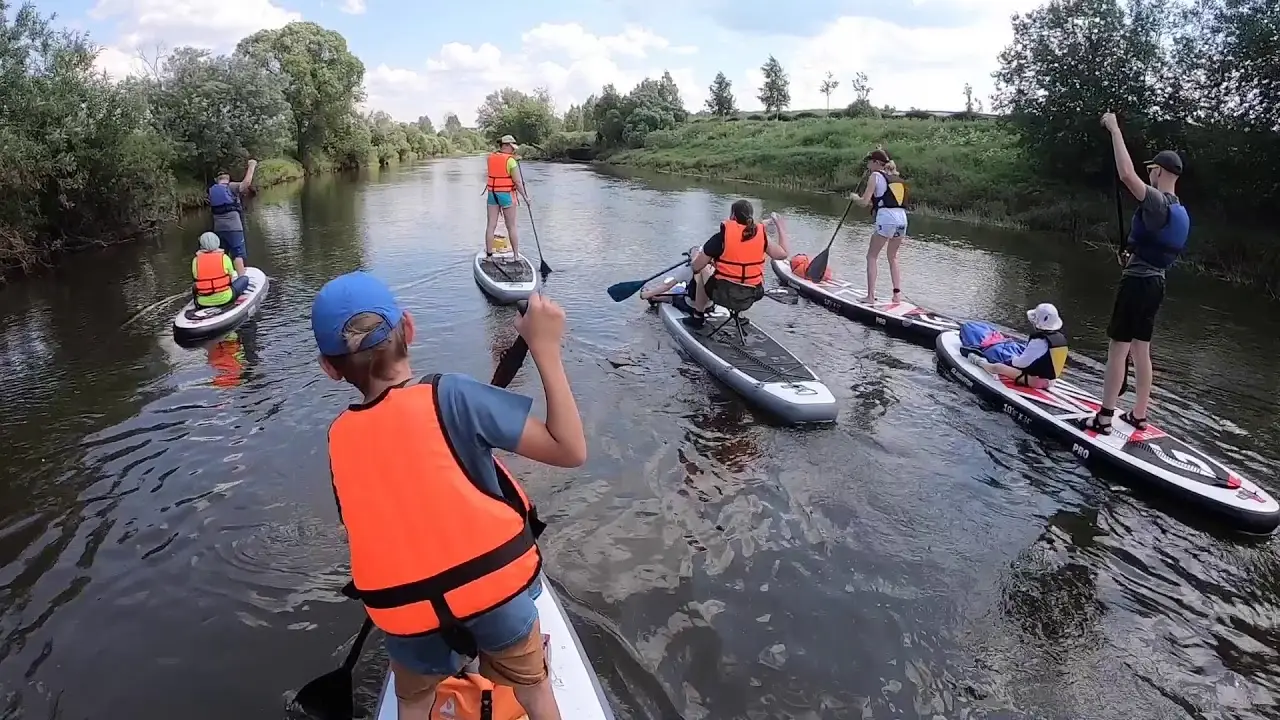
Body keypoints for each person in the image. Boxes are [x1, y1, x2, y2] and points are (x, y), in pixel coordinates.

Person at [310, 272, 585, 720]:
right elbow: (569, 448)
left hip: (409, 616)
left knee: (414, 699)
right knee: (533, 689)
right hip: (494, 597)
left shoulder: (339, 438)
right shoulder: (452, 395)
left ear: (330, 369)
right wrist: (545, 350)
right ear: (410, 329)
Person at [1081, 113, 1190, 434]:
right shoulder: (1179, 208)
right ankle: (1139, 415)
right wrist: (1133, 253)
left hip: (1138, 284)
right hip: (1156, 283)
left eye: (1152, 170)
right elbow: (1155, 245)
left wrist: (1114, 129)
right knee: (1142, 349)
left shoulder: (1156, 201)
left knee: (1118, 348)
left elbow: (1127, 175)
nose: (1149, 174)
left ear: (1159, 171)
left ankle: (1104, 418)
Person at [687, 204, 791, 325]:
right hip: (751, 295)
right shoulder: (762, 237)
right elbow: (784, 254)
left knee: (704, 269)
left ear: (732, 216)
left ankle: (698, 316)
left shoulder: (720, 237)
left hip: (722, 292)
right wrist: (780, 227)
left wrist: (700, 259)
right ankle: (739, 315)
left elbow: (696, 267)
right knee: (743, 282)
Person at [852, 149, 908, 304]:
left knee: (871, 256)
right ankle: (897, 296)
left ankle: (870, 297)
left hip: (886, 219)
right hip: (902, 219)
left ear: (876, 163)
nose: (868, 164)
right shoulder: (895, 177)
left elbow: (864, 202)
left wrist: (855, 198)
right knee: (893, 257)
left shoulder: (875, 176)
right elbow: (880, 199)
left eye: (870, 161)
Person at [969, 303, 1069, 389]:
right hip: (1052, 381)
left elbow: (1021, 364)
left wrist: (1011, 360)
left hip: (1035, 381)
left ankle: (978, 361)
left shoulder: (1039, 341)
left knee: (998, 367)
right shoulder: (1061, 339)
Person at [485, 135, 530, 261]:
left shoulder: (490, 158)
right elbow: (518, 182)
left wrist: (513, 159)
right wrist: (526, 198)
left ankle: (489, 256)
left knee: (491, 225)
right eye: (511, 147)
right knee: (511, 226)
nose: (513, 150)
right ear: (505, 146)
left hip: (492, 194)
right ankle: (516, 256)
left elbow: (498, 167)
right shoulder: (511, 161)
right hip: (506, 195)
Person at [209, 160, 256, 277]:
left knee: (221, 255)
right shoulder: (231, 187)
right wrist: (252, 166)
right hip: (234, 228)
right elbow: (247, 183)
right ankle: (242, 280)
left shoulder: (211, 190)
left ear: (216, 179)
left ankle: (222, 280)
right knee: (237, 254)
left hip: (219, 229)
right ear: (228, 178)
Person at [640, 245, 707, 313]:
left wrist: (646, 294)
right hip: (710, 306)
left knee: (676, 298)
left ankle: (653, 298)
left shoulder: (688, 269)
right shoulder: (711, 267)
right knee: (684, 293)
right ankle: (654, 297)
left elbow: (667, 286)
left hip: (693, 307)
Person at [192, 232, 250, 308]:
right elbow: (232, 277)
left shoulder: (196, 260)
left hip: (203, 302)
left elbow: (196, 278)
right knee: (244, 279)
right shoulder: (224, 258)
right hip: (225, 298)